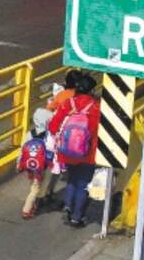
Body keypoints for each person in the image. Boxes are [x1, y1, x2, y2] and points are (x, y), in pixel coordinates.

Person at [47, 74, 101, 227]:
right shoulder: (96, 107)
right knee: (83, 184)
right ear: (91, 90)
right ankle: (77, 217)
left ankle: (68, 206)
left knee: (71, 179)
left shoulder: (67, 104)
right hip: (88, 153)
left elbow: (52, 126)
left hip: (67, 151)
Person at [17, 108, 54, 220]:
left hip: (31, 166)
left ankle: (37, 201)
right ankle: (27, 209)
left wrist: (19, 163)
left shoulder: (30, 133)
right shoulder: (49, 135)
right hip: (44, 166)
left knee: (34, 184)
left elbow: (22, 149)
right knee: (36, 188)